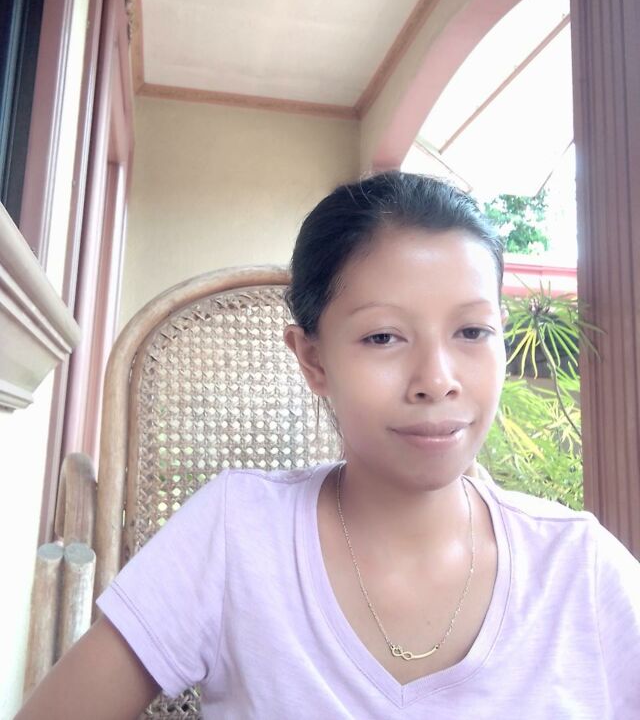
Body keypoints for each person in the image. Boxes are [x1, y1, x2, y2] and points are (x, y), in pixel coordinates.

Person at [17, 172, 640, 719]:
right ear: (313, 360)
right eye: (383, 337)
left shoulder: (582, 570)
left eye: (472, 331)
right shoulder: (237, 536)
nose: (437, 380)